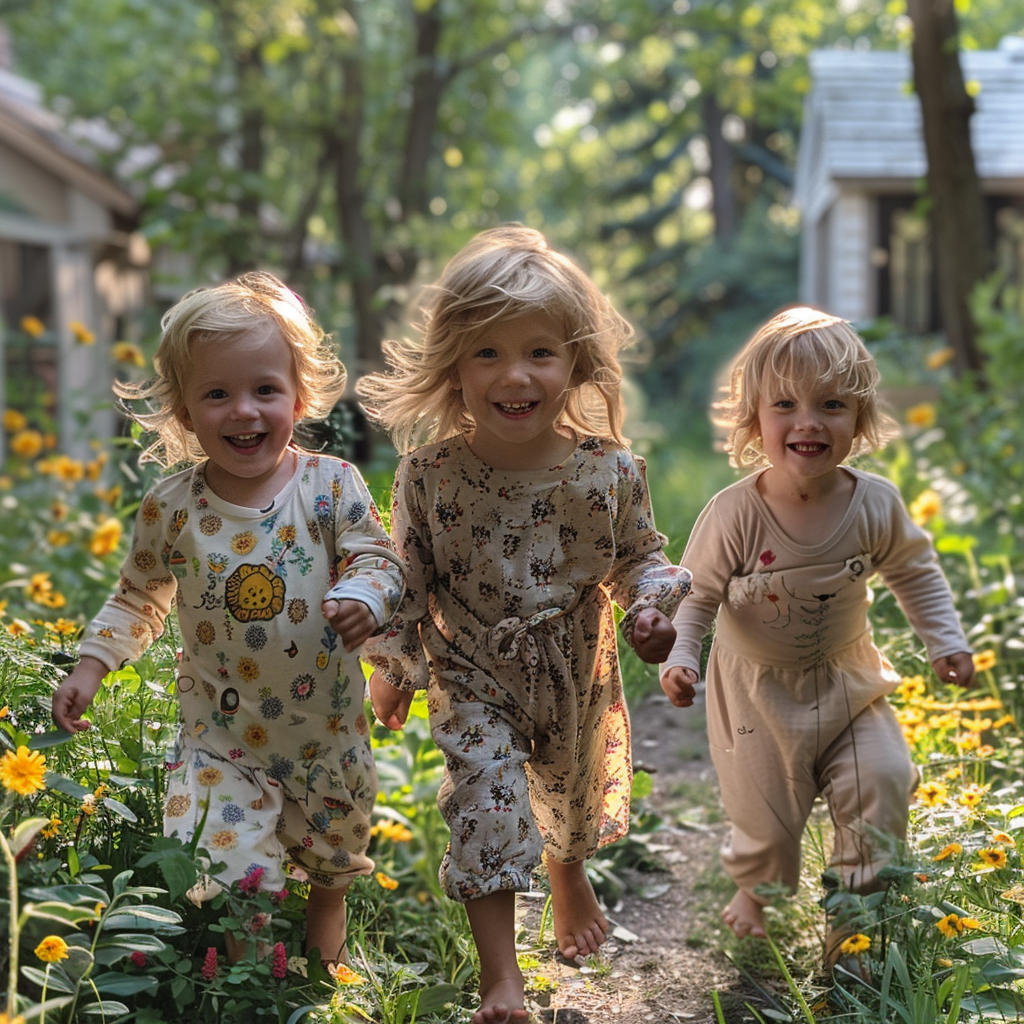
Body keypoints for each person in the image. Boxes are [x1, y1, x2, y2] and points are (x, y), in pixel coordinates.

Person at [356, 225, 692, 1023]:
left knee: (567, 796)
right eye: (487, 354)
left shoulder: (608, 470)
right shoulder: (428, 474)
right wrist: (392, 666)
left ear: (575, 362)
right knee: (486, 801)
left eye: (539, 352)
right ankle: (500, 980)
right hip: (469, 663)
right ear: (453, 368)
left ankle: (568, 870)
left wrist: (652, 611)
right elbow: (407, 572)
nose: (515, 374)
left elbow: (640, 556)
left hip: (574, 662)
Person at [52, 272, 406, 969]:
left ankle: (324, 977)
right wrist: (91, 666)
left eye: (264, 390)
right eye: (217, 393)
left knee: (334, 866)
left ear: (298, 396)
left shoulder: (331, 486)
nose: (243, 411)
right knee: (238, 876)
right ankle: (254, 987)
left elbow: (379, 559)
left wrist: (365, 598)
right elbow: (137, 595)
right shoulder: (172, 507)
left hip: (327, 733)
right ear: (184, 411)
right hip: (221, 737)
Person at [659, 306, 974, 960]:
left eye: (831, 404)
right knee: (768, 825)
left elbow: (916, 571)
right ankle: (757, 888)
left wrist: (945, 639)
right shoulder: (735, 513)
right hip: (755, 694)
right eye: (785, 404)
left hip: (847, 680)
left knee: (882, 778)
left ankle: (856, 936)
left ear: (859, 419)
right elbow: (696, 597)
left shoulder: (875, 503)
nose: (808, 421)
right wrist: (682, 654)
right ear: (754, 421)